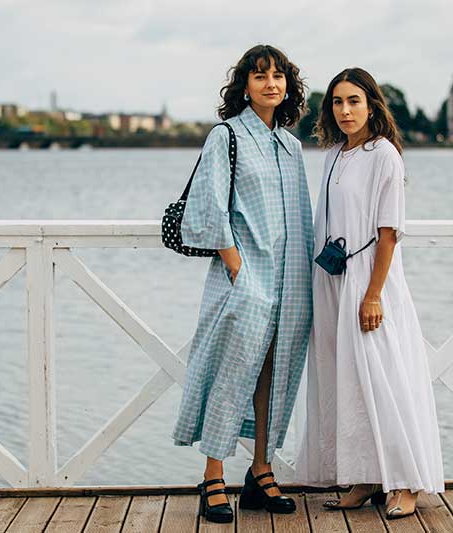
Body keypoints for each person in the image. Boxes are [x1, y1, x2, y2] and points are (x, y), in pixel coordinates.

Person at [172, 44, 314, 523]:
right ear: (245, 86)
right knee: (232, 374)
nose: (271, 83)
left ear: (288, 86)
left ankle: (260, 471)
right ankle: (213, 476)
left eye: (278, 76)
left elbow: (301, 219)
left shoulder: (292, 146)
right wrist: (238, 271)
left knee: (275, 377)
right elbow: (210, 209)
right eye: (260, 76)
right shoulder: (227, 136)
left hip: (290, 284)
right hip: (246, 280)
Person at [295, 67, 444, 519]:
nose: (344, 110)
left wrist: (374, 293)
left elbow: (388, 233)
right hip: (333, 280)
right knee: (348, 379)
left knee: (385, 379)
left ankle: (405, 483)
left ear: (372, 105)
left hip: (369, 282)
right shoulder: (334, 155)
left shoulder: (385, 156)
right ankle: (364, 477)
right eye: (337, 102)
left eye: (353, 101)